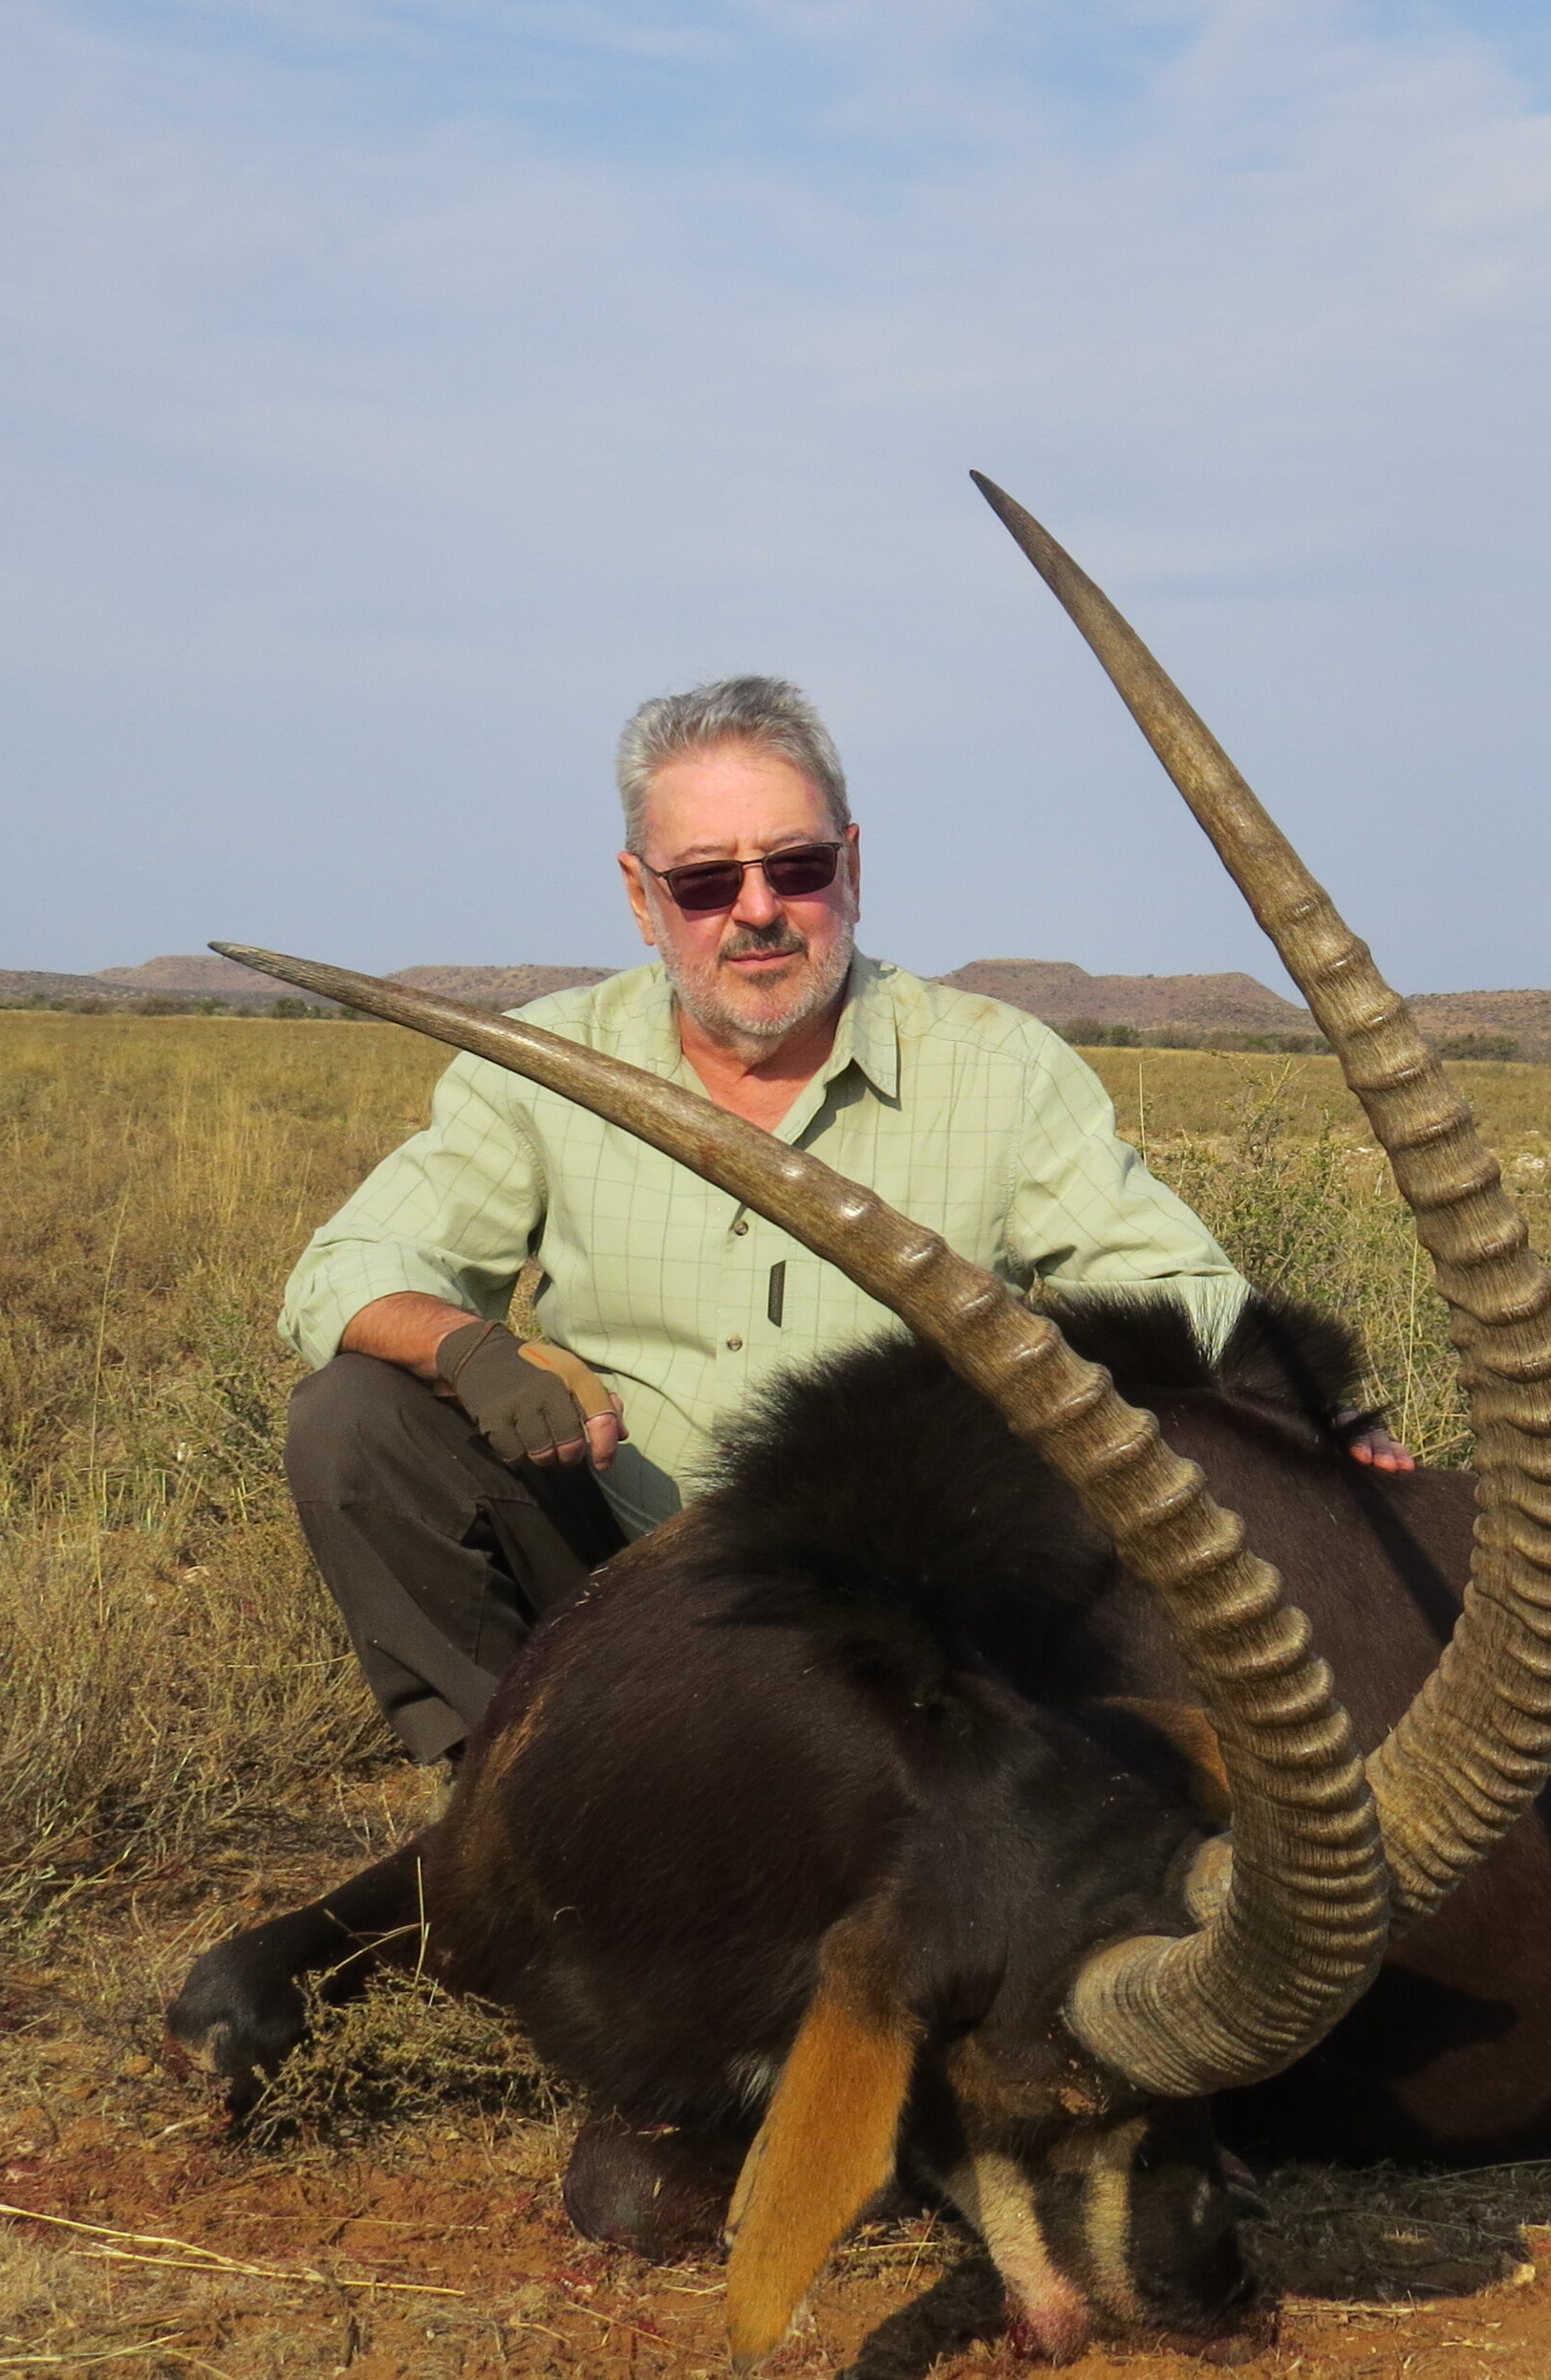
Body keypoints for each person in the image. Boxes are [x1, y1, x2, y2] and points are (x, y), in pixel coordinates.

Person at [276, 673, 1411, 1766]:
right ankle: (511, 1789)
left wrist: (1305, 1413)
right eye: (706, 883)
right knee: (353, 1418)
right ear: (640, 897)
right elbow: (348, 1268)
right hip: (603, 1567)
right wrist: (468, 1345)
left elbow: (1174, 1289)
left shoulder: (1000, 1067)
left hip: (902, 1592)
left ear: (854, 868)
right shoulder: (539, 1065)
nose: (758, 912)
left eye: (797, 867)